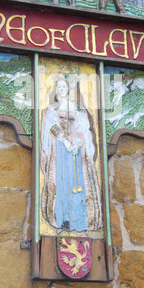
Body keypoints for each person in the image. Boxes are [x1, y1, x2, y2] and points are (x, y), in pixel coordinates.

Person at [40, 76, 102, 233]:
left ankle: (81, 221)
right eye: (58, 87)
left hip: (77, 152)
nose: (61, 89)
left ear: (68, 89)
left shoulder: (78, 109)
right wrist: (65, 142)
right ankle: (62, 220)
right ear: (56, 90)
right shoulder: (51, 109)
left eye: (64, 86)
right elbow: (51, 127)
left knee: (79, 183)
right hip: (60, 151)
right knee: (61, 183)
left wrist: (77, 143)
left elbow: (84, 129)